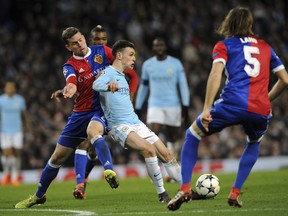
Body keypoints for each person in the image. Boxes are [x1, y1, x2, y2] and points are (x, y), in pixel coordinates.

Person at [167, 7, 288, 211]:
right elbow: (285, 79)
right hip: (260, 109)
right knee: (254, 141)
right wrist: (265, 100)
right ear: (250, 25)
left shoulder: (224, 45)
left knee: (192, 134)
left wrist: (206, 108)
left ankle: (185, 187)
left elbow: (216, 75)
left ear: (228, 24)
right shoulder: (266, 47)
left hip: (232, 103)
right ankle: (235, 191)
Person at [14, 27, 119, 208]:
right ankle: (39, 196)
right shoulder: (69, 65)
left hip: (100, 109)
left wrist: (121, 85)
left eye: (80, 40)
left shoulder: (102, 51)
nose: (80, 44)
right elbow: (71, 80)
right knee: (57, 158)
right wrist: (68, 88)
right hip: (80, 113)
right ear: (68, 47)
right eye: (74, 43)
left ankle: (109, 170)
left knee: (94, 133)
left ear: (84, 38)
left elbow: (122, 66)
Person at [51, 25, 138, 198]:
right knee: (88, 147)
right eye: (97, 39)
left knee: (88, 145)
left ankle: (82, 183)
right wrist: (66, 88)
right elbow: (78, 80)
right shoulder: (86, 58)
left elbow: (133, 76)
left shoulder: (108, 55)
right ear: (89, 40)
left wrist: (130, 101)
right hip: (89, 109)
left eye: (104, 40)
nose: (100, 42)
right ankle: (81, 184)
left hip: (107, 109)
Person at [93, 39, 184, 203]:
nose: (134, 58)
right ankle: (162, 194)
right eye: (131, 55)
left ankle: (186, 189)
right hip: (119, 126)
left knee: (167, 154)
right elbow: (96, 84)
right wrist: (108, 86)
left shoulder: (123, 76)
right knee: (149, 150)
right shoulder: (108, 73)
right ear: (119, 55)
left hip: (136, 123)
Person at [135, 37, 190, 161]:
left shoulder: (175, 63)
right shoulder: (148, 65)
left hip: (173, 105)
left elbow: (183, 85)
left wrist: (185, 106)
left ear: (166, 47)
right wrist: (138, 107)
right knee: (152, 135)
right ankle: (155, 167)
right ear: (153, 48)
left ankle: (173, 168)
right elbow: (143, 87)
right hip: (155, 104)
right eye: (157, 46)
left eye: (161, 45)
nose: (159, 48)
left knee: (173, 138)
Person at [0, 81, 30, 186]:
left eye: (12, 87)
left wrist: (27, 126)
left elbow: (24, 114)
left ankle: (14, 176)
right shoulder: (1, 100)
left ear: (14, 89)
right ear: (5, 89)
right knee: (7, 153)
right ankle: (6, 174)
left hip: (17, 130)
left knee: (17, 153)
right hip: (4, 130)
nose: (10, 89)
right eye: (8, 88)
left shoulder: (20, 100)